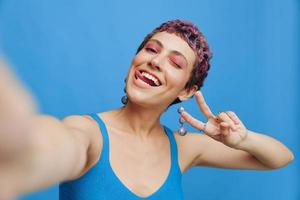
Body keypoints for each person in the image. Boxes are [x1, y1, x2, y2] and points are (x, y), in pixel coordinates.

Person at [0, 19, 294, 200]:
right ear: (135, 58)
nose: (155, 61)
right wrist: (19, 149)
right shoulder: (87, 132)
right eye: (152, 49)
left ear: (187, 91)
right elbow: (49, 146)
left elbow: (280, 157)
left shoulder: (185, 148)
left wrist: (244, 140)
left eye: (176, 63)